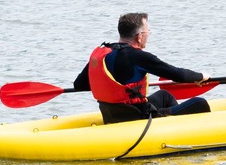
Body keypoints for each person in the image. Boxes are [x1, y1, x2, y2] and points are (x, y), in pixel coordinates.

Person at [76, 13, 211, 124]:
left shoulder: (102, 55)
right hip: (138, 118)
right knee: (200, 103)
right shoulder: (139, 57)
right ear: (140, 36)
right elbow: (178, 75)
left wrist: (110, 87)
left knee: (164, 96)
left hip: (111, 114)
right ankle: (167, 126)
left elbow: (79, 85)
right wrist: (201, 76)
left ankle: (171, 128)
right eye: (148, 32)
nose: (148, 35)